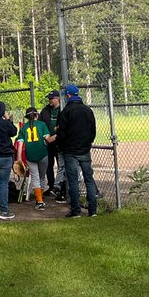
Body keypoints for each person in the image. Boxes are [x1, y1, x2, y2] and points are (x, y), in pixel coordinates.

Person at [56, 84, 98, 218]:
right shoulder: (87, 110)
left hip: (70, 151)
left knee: (73, 181)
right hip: (84, 150)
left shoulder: (66, 112)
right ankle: (93, 210)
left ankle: (76, 210)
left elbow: (61, 133)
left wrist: (61, 147)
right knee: (89, 180)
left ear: (68, 96)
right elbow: (93, 131)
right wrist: (87, 143)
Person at [19, 106, 54, 209]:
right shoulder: (42, 124)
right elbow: (49, 140)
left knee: (35, 177)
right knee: (42, 176)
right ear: (37, 115)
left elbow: (20, 144)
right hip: (42, 154)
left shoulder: (24, 127)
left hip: (30, 156)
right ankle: (40, 200)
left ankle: (39, 201)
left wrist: (19, 159)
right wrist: (58, 135)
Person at [38, 90, 65, 201]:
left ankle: (61, 188)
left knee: (61, 166)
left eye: (51, 98)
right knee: (48, 166)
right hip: (47, 143)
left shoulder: (62, 109)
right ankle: (51, 186)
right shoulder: (45, 110)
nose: (49, 100)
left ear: (57, 98)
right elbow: (40, 124)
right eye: (49, 98)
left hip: (59, 142)